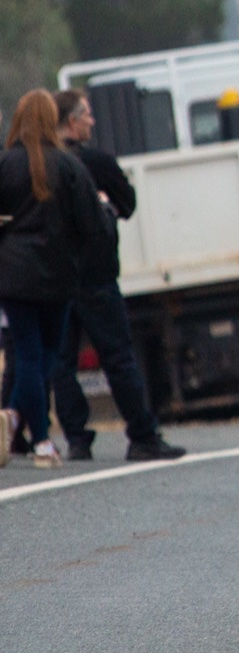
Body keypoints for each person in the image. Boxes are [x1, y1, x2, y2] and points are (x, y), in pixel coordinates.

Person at [46, 90, 183, 460]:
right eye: (87, 115)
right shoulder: (97, 163)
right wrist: (105, 210)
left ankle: (76, 439)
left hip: (54, 279)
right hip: (96, 276)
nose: (92, 121)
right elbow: (128, 203)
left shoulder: (38, 165)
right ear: (72, 121)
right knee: (118, 357)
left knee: (61, 363)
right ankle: (142, 434)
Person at [1, 92, 109, 467]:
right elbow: (92, 224)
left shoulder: (6, 164)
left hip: (13, 277)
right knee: (46, 354)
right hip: (59, 274)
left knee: (28, 354)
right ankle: (40, 440)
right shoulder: (68, 166)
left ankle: (17, 418)